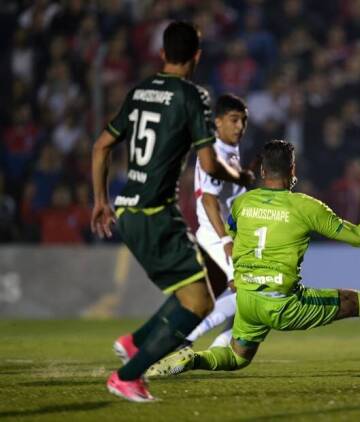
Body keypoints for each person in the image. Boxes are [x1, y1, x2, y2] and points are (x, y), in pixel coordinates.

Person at [147, 140, 360, 377]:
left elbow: (232, 232)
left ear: (263, 172)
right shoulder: (306, 207)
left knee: (238, 357)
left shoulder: (243, 203)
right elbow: (359, 237)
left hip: (247, 299)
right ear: (292, 171)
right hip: (280, 303)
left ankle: (193, 358)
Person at [90, 21, 253, 402]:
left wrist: (100, 201)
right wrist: (242, 176)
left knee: (206, 279)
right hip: (154, 214)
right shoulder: (192, 96)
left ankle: (136, 342)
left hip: (127, 209)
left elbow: (101, 147)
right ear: (197, 56)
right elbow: (210, 165)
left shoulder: (139, 90)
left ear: (162, 54)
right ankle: (127, 376)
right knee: (199, 302)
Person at [183, 93, 249, 349]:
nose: (240, 126)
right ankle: (183, 340)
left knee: (249, 300)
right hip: (217, 235)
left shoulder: (230, 148)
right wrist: (225, 239)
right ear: (218, 122)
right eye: (234, 120)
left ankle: (216, 351)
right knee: (247, 293)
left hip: (230, 234)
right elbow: (209, 200)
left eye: (243, 120)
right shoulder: (214, 152)